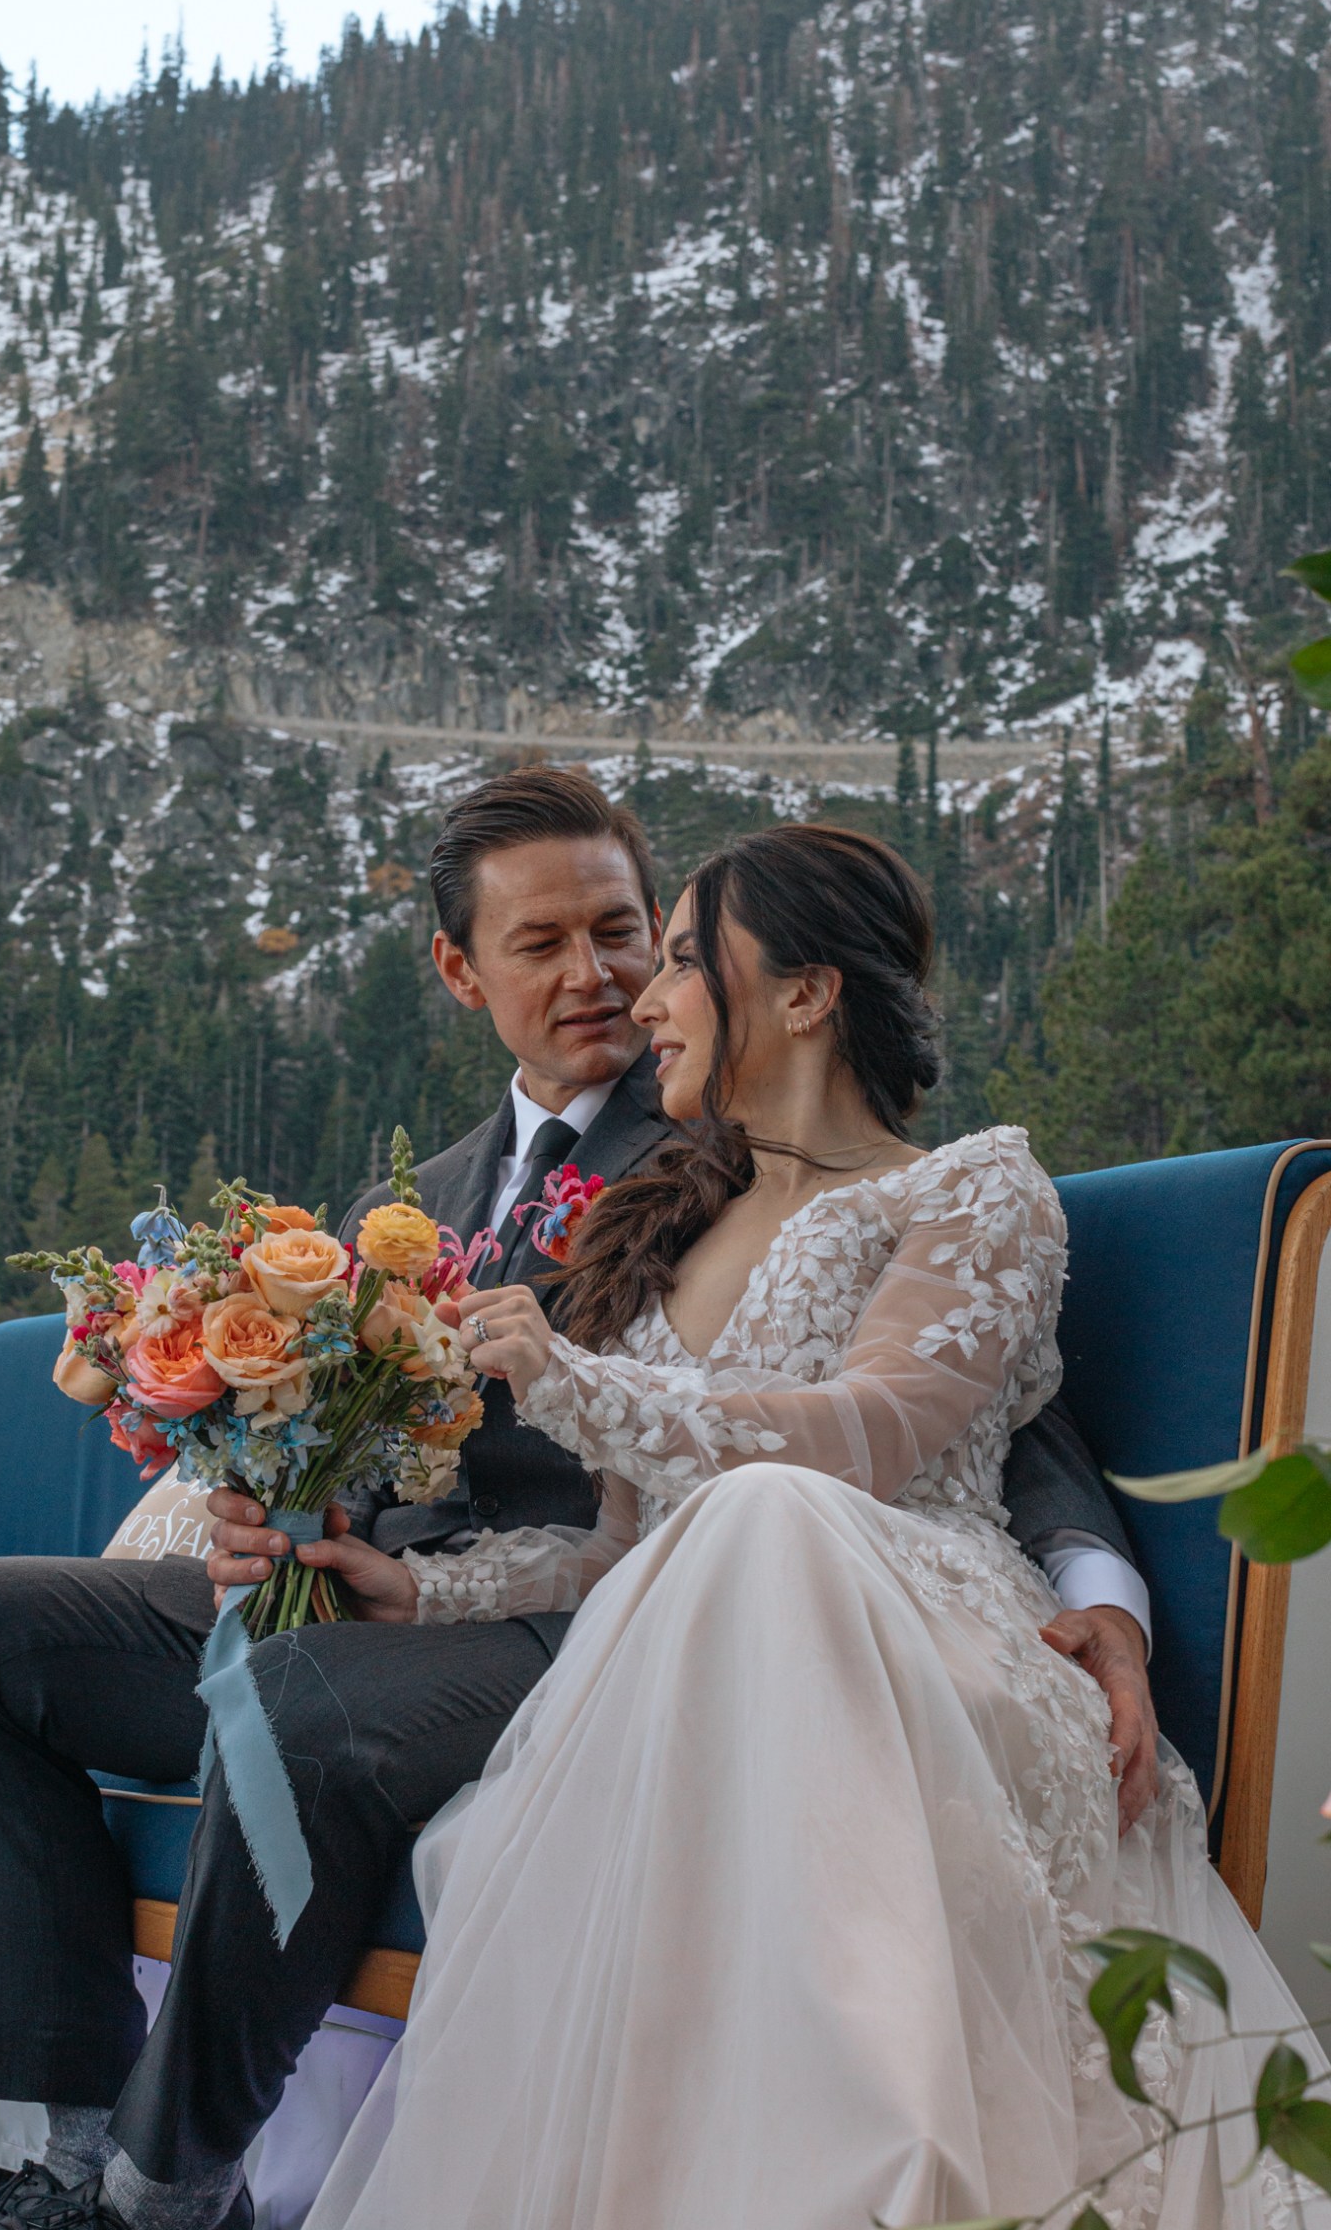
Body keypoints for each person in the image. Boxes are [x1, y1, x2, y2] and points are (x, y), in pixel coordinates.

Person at [0, 769, 1156, 2230]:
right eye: (543, 943)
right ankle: (66, 2138)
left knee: (296, 1706)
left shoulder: (738, 1145)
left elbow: (965, 1409)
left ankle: (158, 2192)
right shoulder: (403, 1203)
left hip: (602, 1615)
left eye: (629, 932)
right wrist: (252, 1487)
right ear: (459, 970)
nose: (605, 976)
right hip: (382, 1583)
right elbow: (337, 1435)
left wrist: (1091, 1587)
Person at [303, 823, 1330, 2230]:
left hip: (926, 1647)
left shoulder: (971, 1189)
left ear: (802, 994)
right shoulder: (670, 1234)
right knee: (726, 1541)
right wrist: (420, 1595)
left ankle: (890, 2176)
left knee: (771, 1512)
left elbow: (874, 1432)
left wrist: (567, 1375)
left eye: (675, 964)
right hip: (708, 1658)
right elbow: (615, 1555)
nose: (643, 1002)